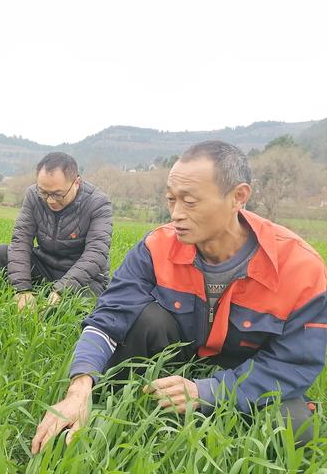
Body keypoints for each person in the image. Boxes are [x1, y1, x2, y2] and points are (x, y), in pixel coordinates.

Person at [32, 140, 327, 452]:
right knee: (148, 319)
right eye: (171, 200)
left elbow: (295, 361)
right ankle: (117, 407)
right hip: (182, 354)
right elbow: (108, 318)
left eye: (190, 202)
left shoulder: (300, 268)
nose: (176, 214)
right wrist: (80, 386)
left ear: (238, 197)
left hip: (250, 369)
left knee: (297, 426)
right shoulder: (157, 247)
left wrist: (209, 391)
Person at [0, 152, 113, 310]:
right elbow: (21, 240)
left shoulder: (98, 203)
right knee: (1, 254)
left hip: (83, 275)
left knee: (83, 304)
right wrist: (22, 289)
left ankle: (54, 298)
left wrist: (63, 289)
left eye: (57, 194)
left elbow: (96, 254)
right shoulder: (33, 195)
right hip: (45, 265)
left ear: (76, 182)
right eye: (44, 192)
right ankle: (34, 294)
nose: (50, 200)